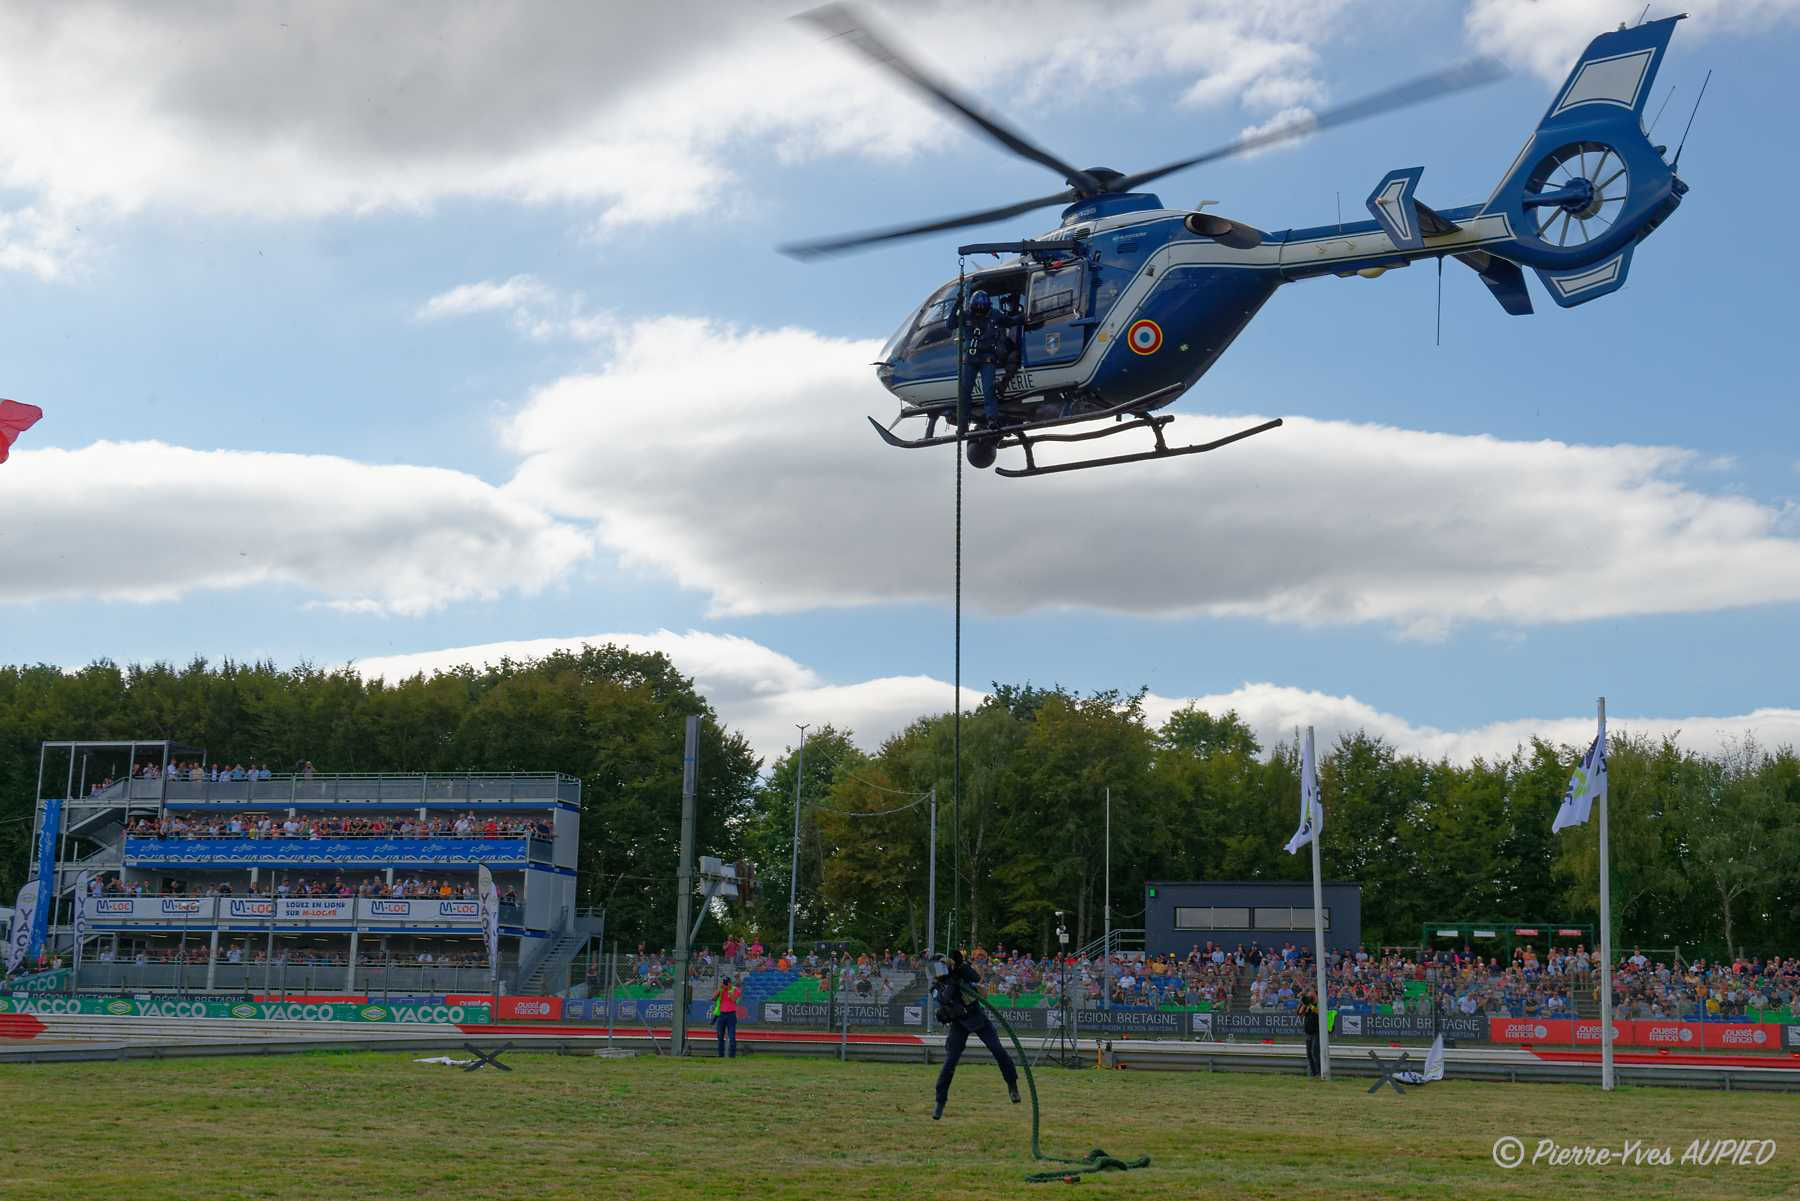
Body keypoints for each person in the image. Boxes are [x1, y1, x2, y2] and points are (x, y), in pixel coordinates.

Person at [929, 949, 1020, 1120]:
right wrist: (952, 981)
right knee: (950, 1062)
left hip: (977, 1017)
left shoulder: (958, 972)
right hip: (959, 1023)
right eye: (935, 969)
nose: (937, 972)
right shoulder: (936, 987)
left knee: (998, 1050)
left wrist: (959, 965)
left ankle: (1012, 1085)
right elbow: (944, 998)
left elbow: (975, 978)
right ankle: (940, 1101)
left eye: (940, 967)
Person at [712, 974, 742, 1059]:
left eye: (725, 983)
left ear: (730, 983)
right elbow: (713, 998)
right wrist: (720, 989)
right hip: (722, 1014)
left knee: (732, 1036)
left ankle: (732, 1056)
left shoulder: (735, 990)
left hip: (731, 1015)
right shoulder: (721, 990)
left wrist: (729, 990)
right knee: (720, 1036)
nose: (724, 985)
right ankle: (720, 1055)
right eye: (723, 983)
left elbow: (734, 1000)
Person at [1300, 993, 1322, 1078]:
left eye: (1311, 996)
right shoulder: (1307, 1006)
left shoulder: (1319, 1004)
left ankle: (1319, 1073)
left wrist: (1310, 1004)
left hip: (1316, 1032)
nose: (1309, 997)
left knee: (1314, 1053)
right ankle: (1313, 1074)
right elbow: (1300, 1013)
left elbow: (1319, 1012)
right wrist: (1304, 1003)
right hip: (1308, 1032)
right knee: (1309, 1054)